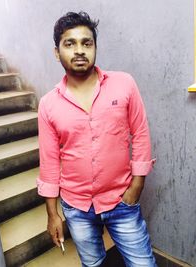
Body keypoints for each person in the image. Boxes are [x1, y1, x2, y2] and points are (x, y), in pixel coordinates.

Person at [37, 11, 157, 267]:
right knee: (92, 264)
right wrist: (52, 214)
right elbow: (49, 163)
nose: (79, 50)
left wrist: (137, 185)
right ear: (57, 52)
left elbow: (141, 133)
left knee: (143, 264)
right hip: (77, 207)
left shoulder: (124, 84)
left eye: (86, 43)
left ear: (95, 47)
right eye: (70, 43)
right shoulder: (48, 105)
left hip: (121, 200)